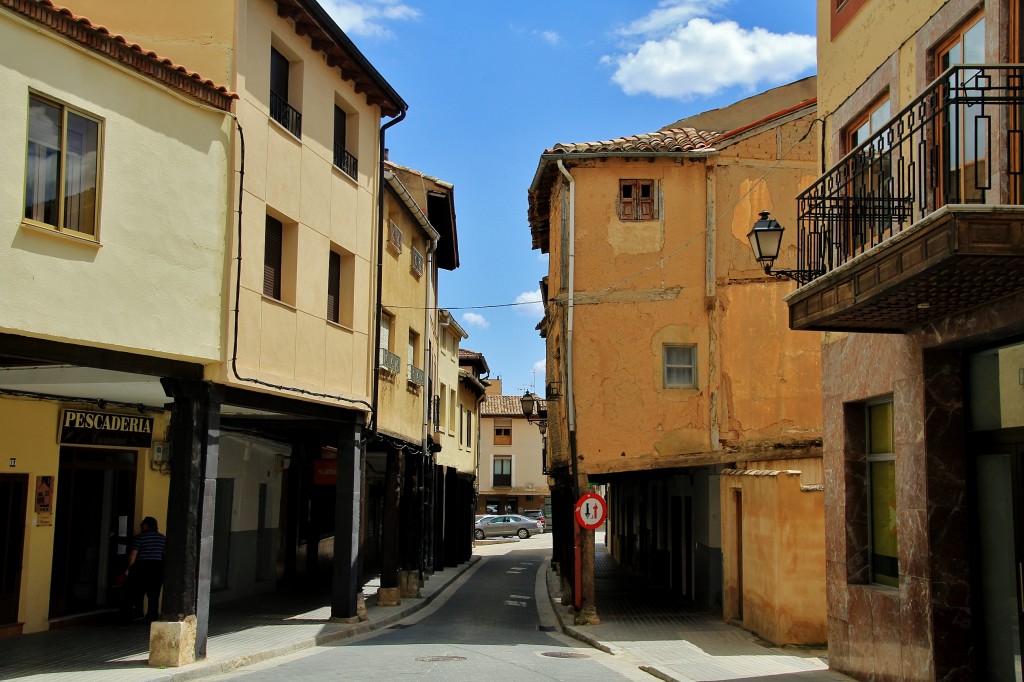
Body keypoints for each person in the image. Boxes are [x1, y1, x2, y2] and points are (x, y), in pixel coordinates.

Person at [122, 516, 165, 623]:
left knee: (138, 592)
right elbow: (164, 554)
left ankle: (139, 614)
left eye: (142, 524)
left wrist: (129, 568)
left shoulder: (139, 538)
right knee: (154, 594)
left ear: (146, 525)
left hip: (142, 567)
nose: (141, 526)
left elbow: (133, 554)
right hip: (157, 567)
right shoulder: (162, 538)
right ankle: (152, 616)